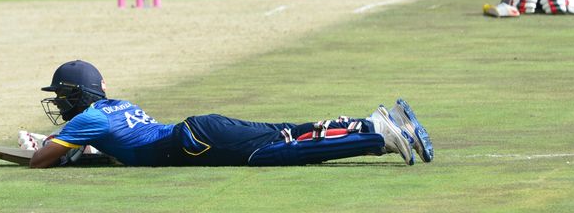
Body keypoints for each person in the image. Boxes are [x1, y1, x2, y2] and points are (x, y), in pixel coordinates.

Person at [24, 60, 434, 168]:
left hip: (197, 143)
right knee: (288, 135)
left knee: (282, 151)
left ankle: (380, 136)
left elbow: (40, 161)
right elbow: (122, 145)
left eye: (62, 96)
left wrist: (49, 148)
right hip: (199, 132)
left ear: (78, 95)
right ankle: (373, 124)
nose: (60, 105)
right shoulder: (114, 107)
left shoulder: (87, 120)